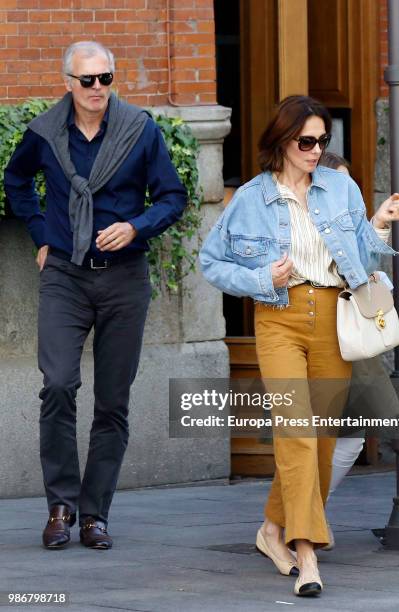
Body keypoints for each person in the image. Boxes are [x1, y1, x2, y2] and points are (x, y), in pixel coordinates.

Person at [199, 95, 399, 597]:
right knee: (296, 432)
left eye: (322, 141)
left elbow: (358, 251)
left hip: (332, 318)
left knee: (322, 438)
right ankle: (307, 553)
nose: (316, 150)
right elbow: (210, 262)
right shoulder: (250, 198)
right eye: (306, 141)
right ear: (282, 142)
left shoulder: (340, 187)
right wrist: (258, 276)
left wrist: (378, 222)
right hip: (279, 319)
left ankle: (272, 530)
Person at [4, 41, 187, 550]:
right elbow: (16, 180)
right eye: (87, 80)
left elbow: (173, 196)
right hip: (64, 274)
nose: (98, 89)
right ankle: (60, 507)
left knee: (112, 402)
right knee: (58, 384)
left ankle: (94, 514)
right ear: (68, 83)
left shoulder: (139, 130)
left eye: (105, 78)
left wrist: (136, 227)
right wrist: (41, 236)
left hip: (124, 277)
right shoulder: (45, 133)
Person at [319, 151, 399, 551]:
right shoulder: (305, 223)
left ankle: (312, 511)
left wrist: (378, 225)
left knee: (351, 433)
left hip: (354, 336)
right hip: (319, 333)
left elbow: (365, 259)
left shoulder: (350, 223)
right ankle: (297, 517)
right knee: (314, 435)